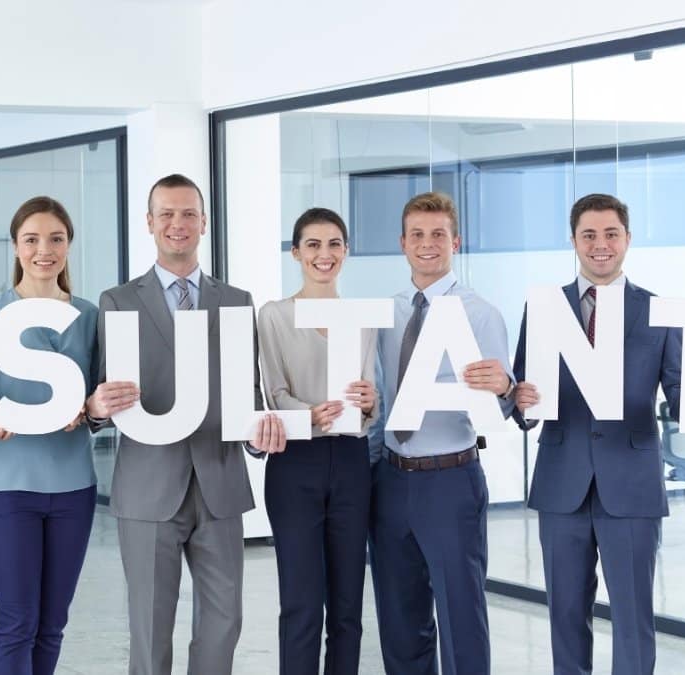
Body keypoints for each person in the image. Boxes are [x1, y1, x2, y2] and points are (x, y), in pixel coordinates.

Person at [511, 193, 685, 675]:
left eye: (611, 234)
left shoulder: (657, 310)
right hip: (561, 482)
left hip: (631, 484)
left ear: (628, 238)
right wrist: (518, 402)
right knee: (565, 615)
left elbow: (677, 393)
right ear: (573, 240)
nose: (600, 244)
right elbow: (524, 392)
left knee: (633, 618)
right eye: (588, 234)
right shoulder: (545, 309)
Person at [85, 173, 286, 675]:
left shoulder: (236, 300)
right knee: (150, 629)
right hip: (148, 487)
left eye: (189, 213)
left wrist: (258, 438)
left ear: (204, 223)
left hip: (219, 483)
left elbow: (248, 392)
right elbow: (101, 392)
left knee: (225, 622)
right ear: (149, 222)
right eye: (167, 214)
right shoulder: (117, 301)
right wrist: (95, 409)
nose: (178, 223)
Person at [368, 191, 515, 675]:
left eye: (437, 235)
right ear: (402, 243)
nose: (427, 244)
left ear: (456, 241)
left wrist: (506, 387)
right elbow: (379, 395)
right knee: (399, 619)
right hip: (391, 480)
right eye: (417, 234)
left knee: (461, 618)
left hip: (450, 480)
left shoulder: (480, 314)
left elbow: (501, 402)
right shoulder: (385, 313)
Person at [0, 196, 99, 674]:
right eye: (32, 239)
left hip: (74, 488)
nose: (44, 250)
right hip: (10, 489)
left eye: (55, 239)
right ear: (15, 246)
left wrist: (88, 409)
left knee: (52, 624)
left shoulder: (90, 316)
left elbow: (101, 398)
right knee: (16, 623)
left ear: (68, 246)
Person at [256, 207, 377, 674]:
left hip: (351, 461)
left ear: (346, 251)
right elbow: (273, 390)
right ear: (295, 253)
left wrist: (370, 401)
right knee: (302, 604)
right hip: (295, 463)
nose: (324, 254)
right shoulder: (275, 315)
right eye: (312, 245)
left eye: (333, 244)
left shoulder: (362, 318)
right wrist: (308, 415)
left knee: (347, 609)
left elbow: (370, 393)